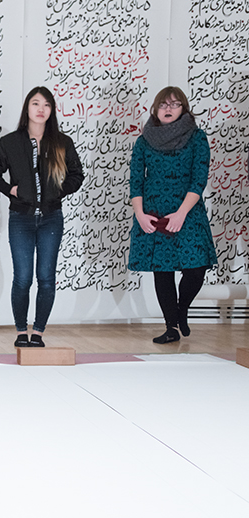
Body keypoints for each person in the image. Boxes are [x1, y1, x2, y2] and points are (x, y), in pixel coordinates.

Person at [0, 86, 84, 348]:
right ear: (27, 108)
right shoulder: (10, 142)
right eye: (36, 103)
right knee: (23, 278)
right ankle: (21, 331)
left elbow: (77, 175)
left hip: (52, 218)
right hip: (21, 218)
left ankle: (38, 332)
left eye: (47, 105)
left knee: (46, 278)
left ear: (52, 110)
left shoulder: (62, 142)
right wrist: (10, 190)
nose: (41, 109)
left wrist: (59, 191)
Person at [128, 86, 217, 344]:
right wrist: (140, 214)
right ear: (155, 109)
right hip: (154, 212)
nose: (168, 108)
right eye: (163, 104)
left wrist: (181, 214)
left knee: (196, 269)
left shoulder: (197, 137)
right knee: (163, 270)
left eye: (175, 104)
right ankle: (171, 328)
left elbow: (199, 179)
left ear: (184, 109)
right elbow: (136, 181)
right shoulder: (144, 140)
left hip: (187, 211)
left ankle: (182, 309)